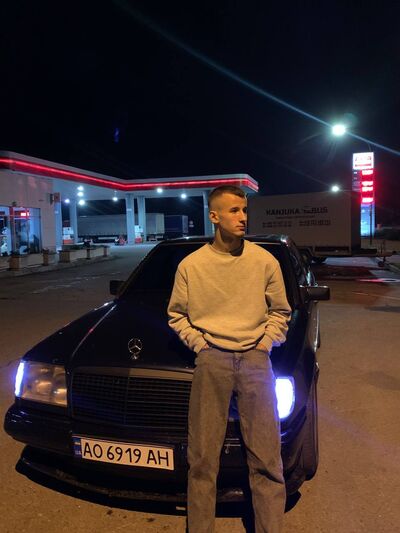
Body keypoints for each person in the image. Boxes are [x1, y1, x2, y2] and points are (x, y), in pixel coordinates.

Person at [168, 185, 292, 533]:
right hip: (212, 362)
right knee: (202, 461)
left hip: (255, 360)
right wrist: (201, 346)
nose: (243, 217)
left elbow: (281, 312)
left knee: (266, 459)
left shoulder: (264, 261)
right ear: (214, 216)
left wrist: (264, 345)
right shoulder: (191, 266)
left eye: (244, 210)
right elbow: (176, 315)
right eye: (234, 210)